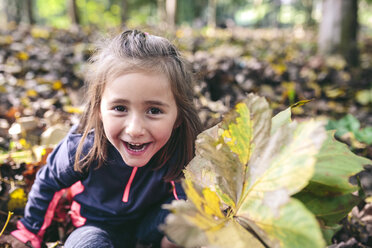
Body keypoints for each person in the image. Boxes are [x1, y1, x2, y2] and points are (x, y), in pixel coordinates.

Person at [1, 29, 203, 248]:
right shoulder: (83, 146)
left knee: (190, 218)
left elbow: (187, 200)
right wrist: (30, 230)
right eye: (119, 108)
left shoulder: (178, 150)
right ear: (99, 109)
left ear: (178, 117)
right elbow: (47, 182)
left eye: (154, 110)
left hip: (148, 229)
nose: (135, 129)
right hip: (93, 226)